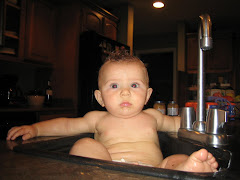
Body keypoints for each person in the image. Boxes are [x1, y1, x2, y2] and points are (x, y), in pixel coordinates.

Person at [7, 51, 218, 172]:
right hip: (106, 170)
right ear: (100, 97)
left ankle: (189, 169)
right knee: (84, 145)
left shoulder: (153, 117)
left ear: (147, 95)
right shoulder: (97, 118)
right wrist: (35, 129)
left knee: (177, 157)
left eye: (134, 86)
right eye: (114, 86)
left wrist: (209, 126)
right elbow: (66, 125)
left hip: (153, 171)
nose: (125, 93)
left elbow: (183, 124)